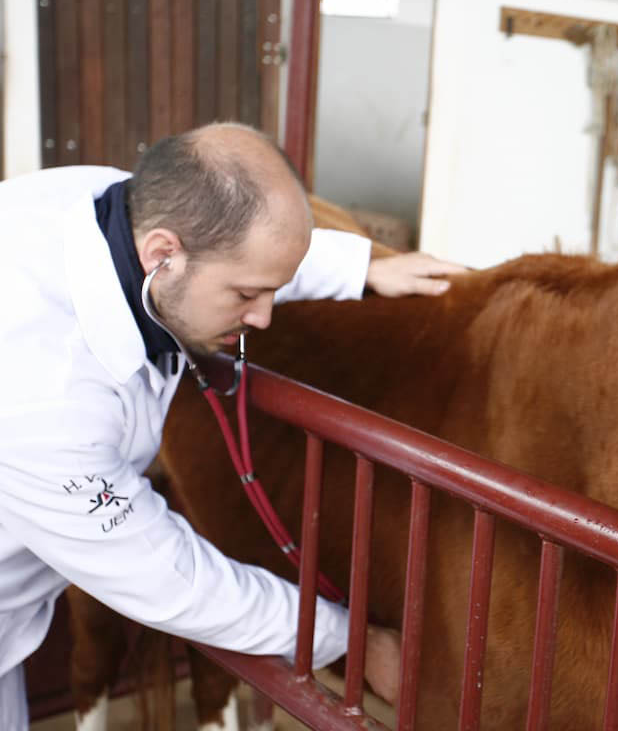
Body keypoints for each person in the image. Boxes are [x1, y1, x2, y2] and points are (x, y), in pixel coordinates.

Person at [0, 122, 466, 728]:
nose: (264, 319)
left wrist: (359, 269)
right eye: (248, 293)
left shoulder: (105, 206)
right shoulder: (47, 401)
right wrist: (347, 639)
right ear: (162, 256)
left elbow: (222, 251)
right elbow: (172, 581)